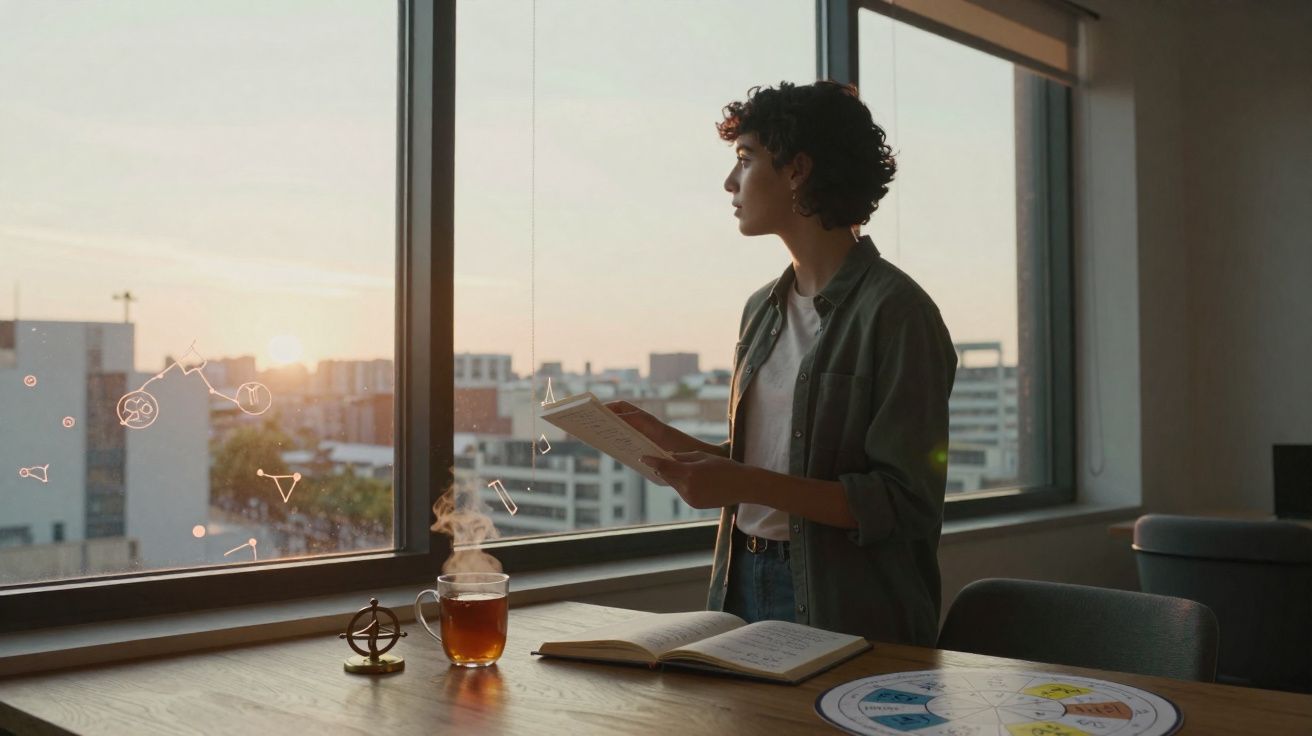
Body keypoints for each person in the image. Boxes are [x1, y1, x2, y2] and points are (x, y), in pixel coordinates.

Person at [608, 80, 957, 647]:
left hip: (847, 600)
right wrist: (666, 443)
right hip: (741, 579)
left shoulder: (898, 313)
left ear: (797, 171)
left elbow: (901, 502)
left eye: (745, 160)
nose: (729, 182)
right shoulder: (761, 310)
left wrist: (742, 480)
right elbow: (775, 466)